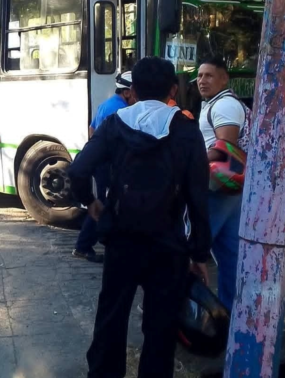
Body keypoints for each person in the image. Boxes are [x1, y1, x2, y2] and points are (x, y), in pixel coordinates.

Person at [67, 57, 212, 378]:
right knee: (160, 328)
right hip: (168, 245)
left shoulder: (115, 124)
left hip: (121, 239)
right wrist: (200, 253)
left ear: (133, 89)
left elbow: (77, 170)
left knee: (111, 318)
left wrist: (90, 202)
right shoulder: (186, 131)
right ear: (173, 89)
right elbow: (198, 198)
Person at [196, 56, 248, 312]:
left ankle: (187, 311)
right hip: (228, 187)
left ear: (224, 78)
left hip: (218, 186)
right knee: (230, 254)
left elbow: (225, 147)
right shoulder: (216, 103)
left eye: (209, 75)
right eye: (200, 75)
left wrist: (190, 163)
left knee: (192, 248)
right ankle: (231, 311)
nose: (202, 80)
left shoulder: (225, 105)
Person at [73, 71, 137, 263]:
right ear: (127, 93)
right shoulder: (119, 111)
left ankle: (86, 245)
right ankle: (84, 246)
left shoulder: (107, 104)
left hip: (100, 162)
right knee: (105, 204)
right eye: (136, 93)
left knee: (104, 202)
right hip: (107, 166)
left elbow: (92, 129)